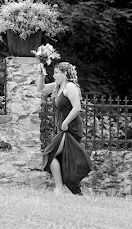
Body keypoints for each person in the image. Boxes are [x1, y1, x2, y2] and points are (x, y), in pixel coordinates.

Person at [37, 61, 92, 194]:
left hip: (70, 129)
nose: (54, 76)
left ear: (65, 74)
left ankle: (59, 187)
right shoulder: (57, 87)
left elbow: (77, 107)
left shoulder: (70, 87)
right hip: (63, 129)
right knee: (60, 159)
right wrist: (42, 75)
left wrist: (65, 122)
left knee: (50, 153)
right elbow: (41, 88)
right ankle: (73, 191)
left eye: (56, 73)